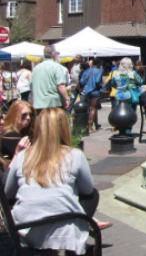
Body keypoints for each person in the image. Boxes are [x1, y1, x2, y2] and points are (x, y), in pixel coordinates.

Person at [5, 108, 102, 255]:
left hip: (25, 227)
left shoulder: (23, 156)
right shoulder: (75, 155)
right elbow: (88, 190)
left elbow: (8, 193)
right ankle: (75, 236)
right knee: (92, 194)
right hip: (64, 225)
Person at [31, 45, 70, 112]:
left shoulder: (36, 68)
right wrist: (67, 99)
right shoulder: (56, 67)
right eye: (57, 53)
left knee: (43, 122)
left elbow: (31, 85)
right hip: (53, 103)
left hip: (38, 104)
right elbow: (60, 86)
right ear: (53, 55)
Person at [79, 58, 104, 132]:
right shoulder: (99, 71)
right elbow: (97, 81)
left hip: (86, 91)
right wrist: (100, 86)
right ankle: (90, 127)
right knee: (93, 109)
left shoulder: (86, 70)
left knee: (90, 109)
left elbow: (82, 81)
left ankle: (96, 125)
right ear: (99, 64)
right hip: (94, 91)